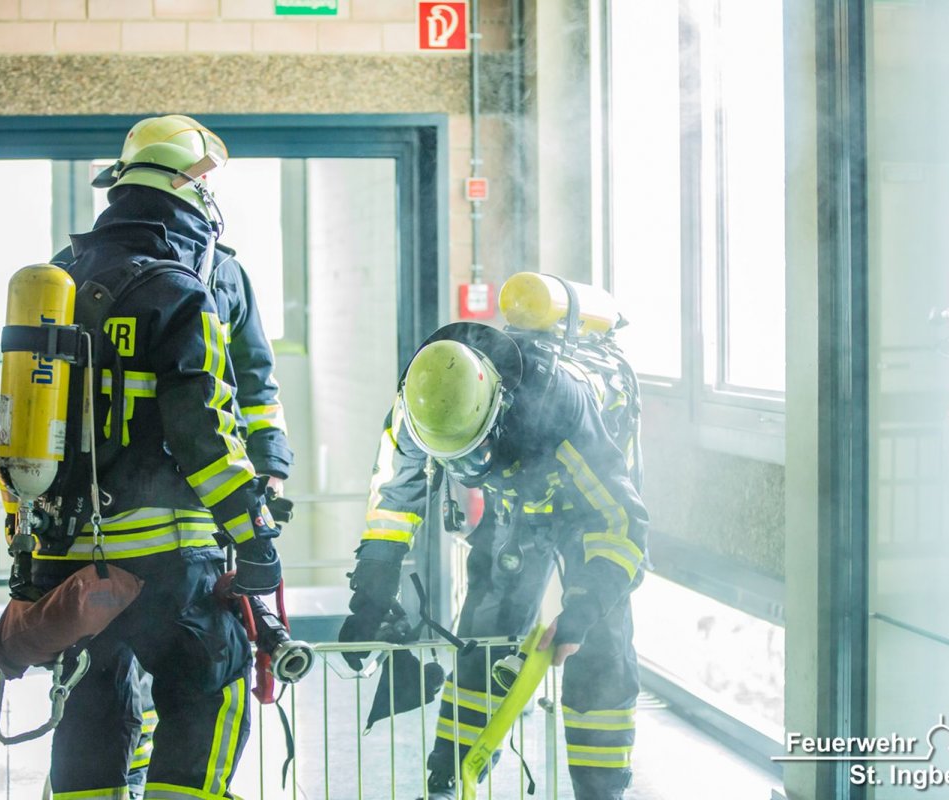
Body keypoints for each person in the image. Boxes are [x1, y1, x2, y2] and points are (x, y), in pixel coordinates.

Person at [32, 115, 287, 800]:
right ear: (189, 186)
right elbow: (199, 426)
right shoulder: (183, 285)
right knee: (212, 690)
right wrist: (250, 529)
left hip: (69, 555)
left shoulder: (60, 276)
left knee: (88, 708)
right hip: (168, 558)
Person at [339, 316, 648, 800]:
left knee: (599, 647)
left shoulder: (557, 406)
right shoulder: (419, 404)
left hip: (586, 503)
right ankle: (450, 775)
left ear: (497, 409)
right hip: (517, 499)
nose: (464, 469)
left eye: (472, 452)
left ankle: (601, 788)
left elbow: (619, 520)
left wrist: (583, 608)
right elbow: (393, 498)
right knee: (486, 630)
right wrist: (372, 590)